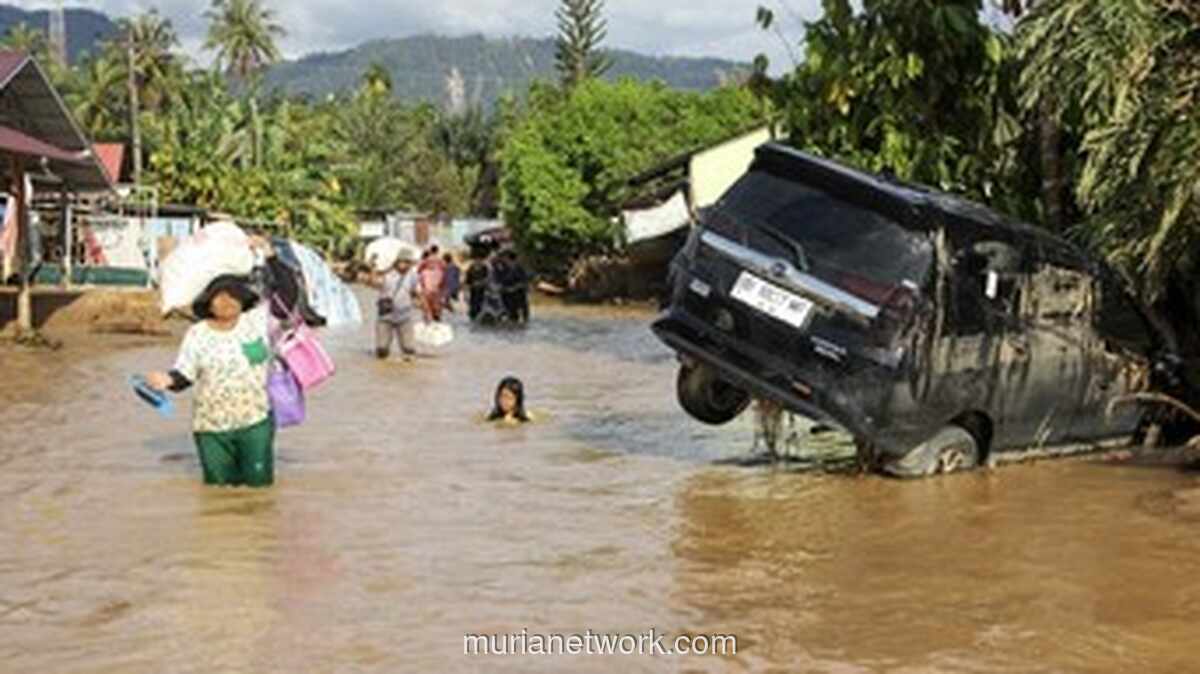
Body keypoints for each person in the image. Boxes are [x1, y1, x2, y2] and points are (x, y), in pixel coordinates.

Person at [144, 236, 280, 488]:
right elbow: (185, 374)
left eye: (233, 295)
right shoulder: (197, 333)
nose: (226, 301)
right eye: (219, 296)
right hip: (210, 428)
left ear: (243, 299)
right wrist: (166, 380)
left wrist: (270, 255)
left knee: (259, 493)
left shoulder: (257, 323)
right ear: (208, 302)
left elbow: (287, 295)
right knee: (217, 494)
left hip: (254, 423)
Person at [371, 247, 423, 360]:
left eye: (409, 262)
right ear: (398, 261)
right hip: (385, 315)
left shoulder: (413, 276)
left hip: (404, 316)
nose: (406, 265)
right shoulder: (386, 274)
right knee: (382, 349)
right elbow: (374, 284)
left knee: (409, 349)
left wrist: (424, 308)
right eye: (404, 261)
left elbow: (417, 292)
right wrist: (373, 269)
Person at [499, 250, 530, 324]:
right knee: (510, 318)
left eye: (504, 257)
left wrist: (513, 288)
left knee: (521, 318)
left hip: (519, 296)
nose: (503, 259)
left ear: (509, 258)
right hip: (507, 297)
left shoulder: (519, 269)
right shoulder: (504, 269)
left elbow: (524, 282)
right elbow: (501, 281)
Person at [418, 246, 446, 322]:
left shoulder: (426, 260)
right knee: (437, 300)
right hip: (437, 280)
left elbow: (419, 269)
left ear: (430, 251)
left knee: (427, 300)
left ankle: (428, 316)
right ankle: (436, 314)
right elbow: (444, 268)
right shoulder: (441, 260)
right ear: (437, 251)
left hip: (427, 280)